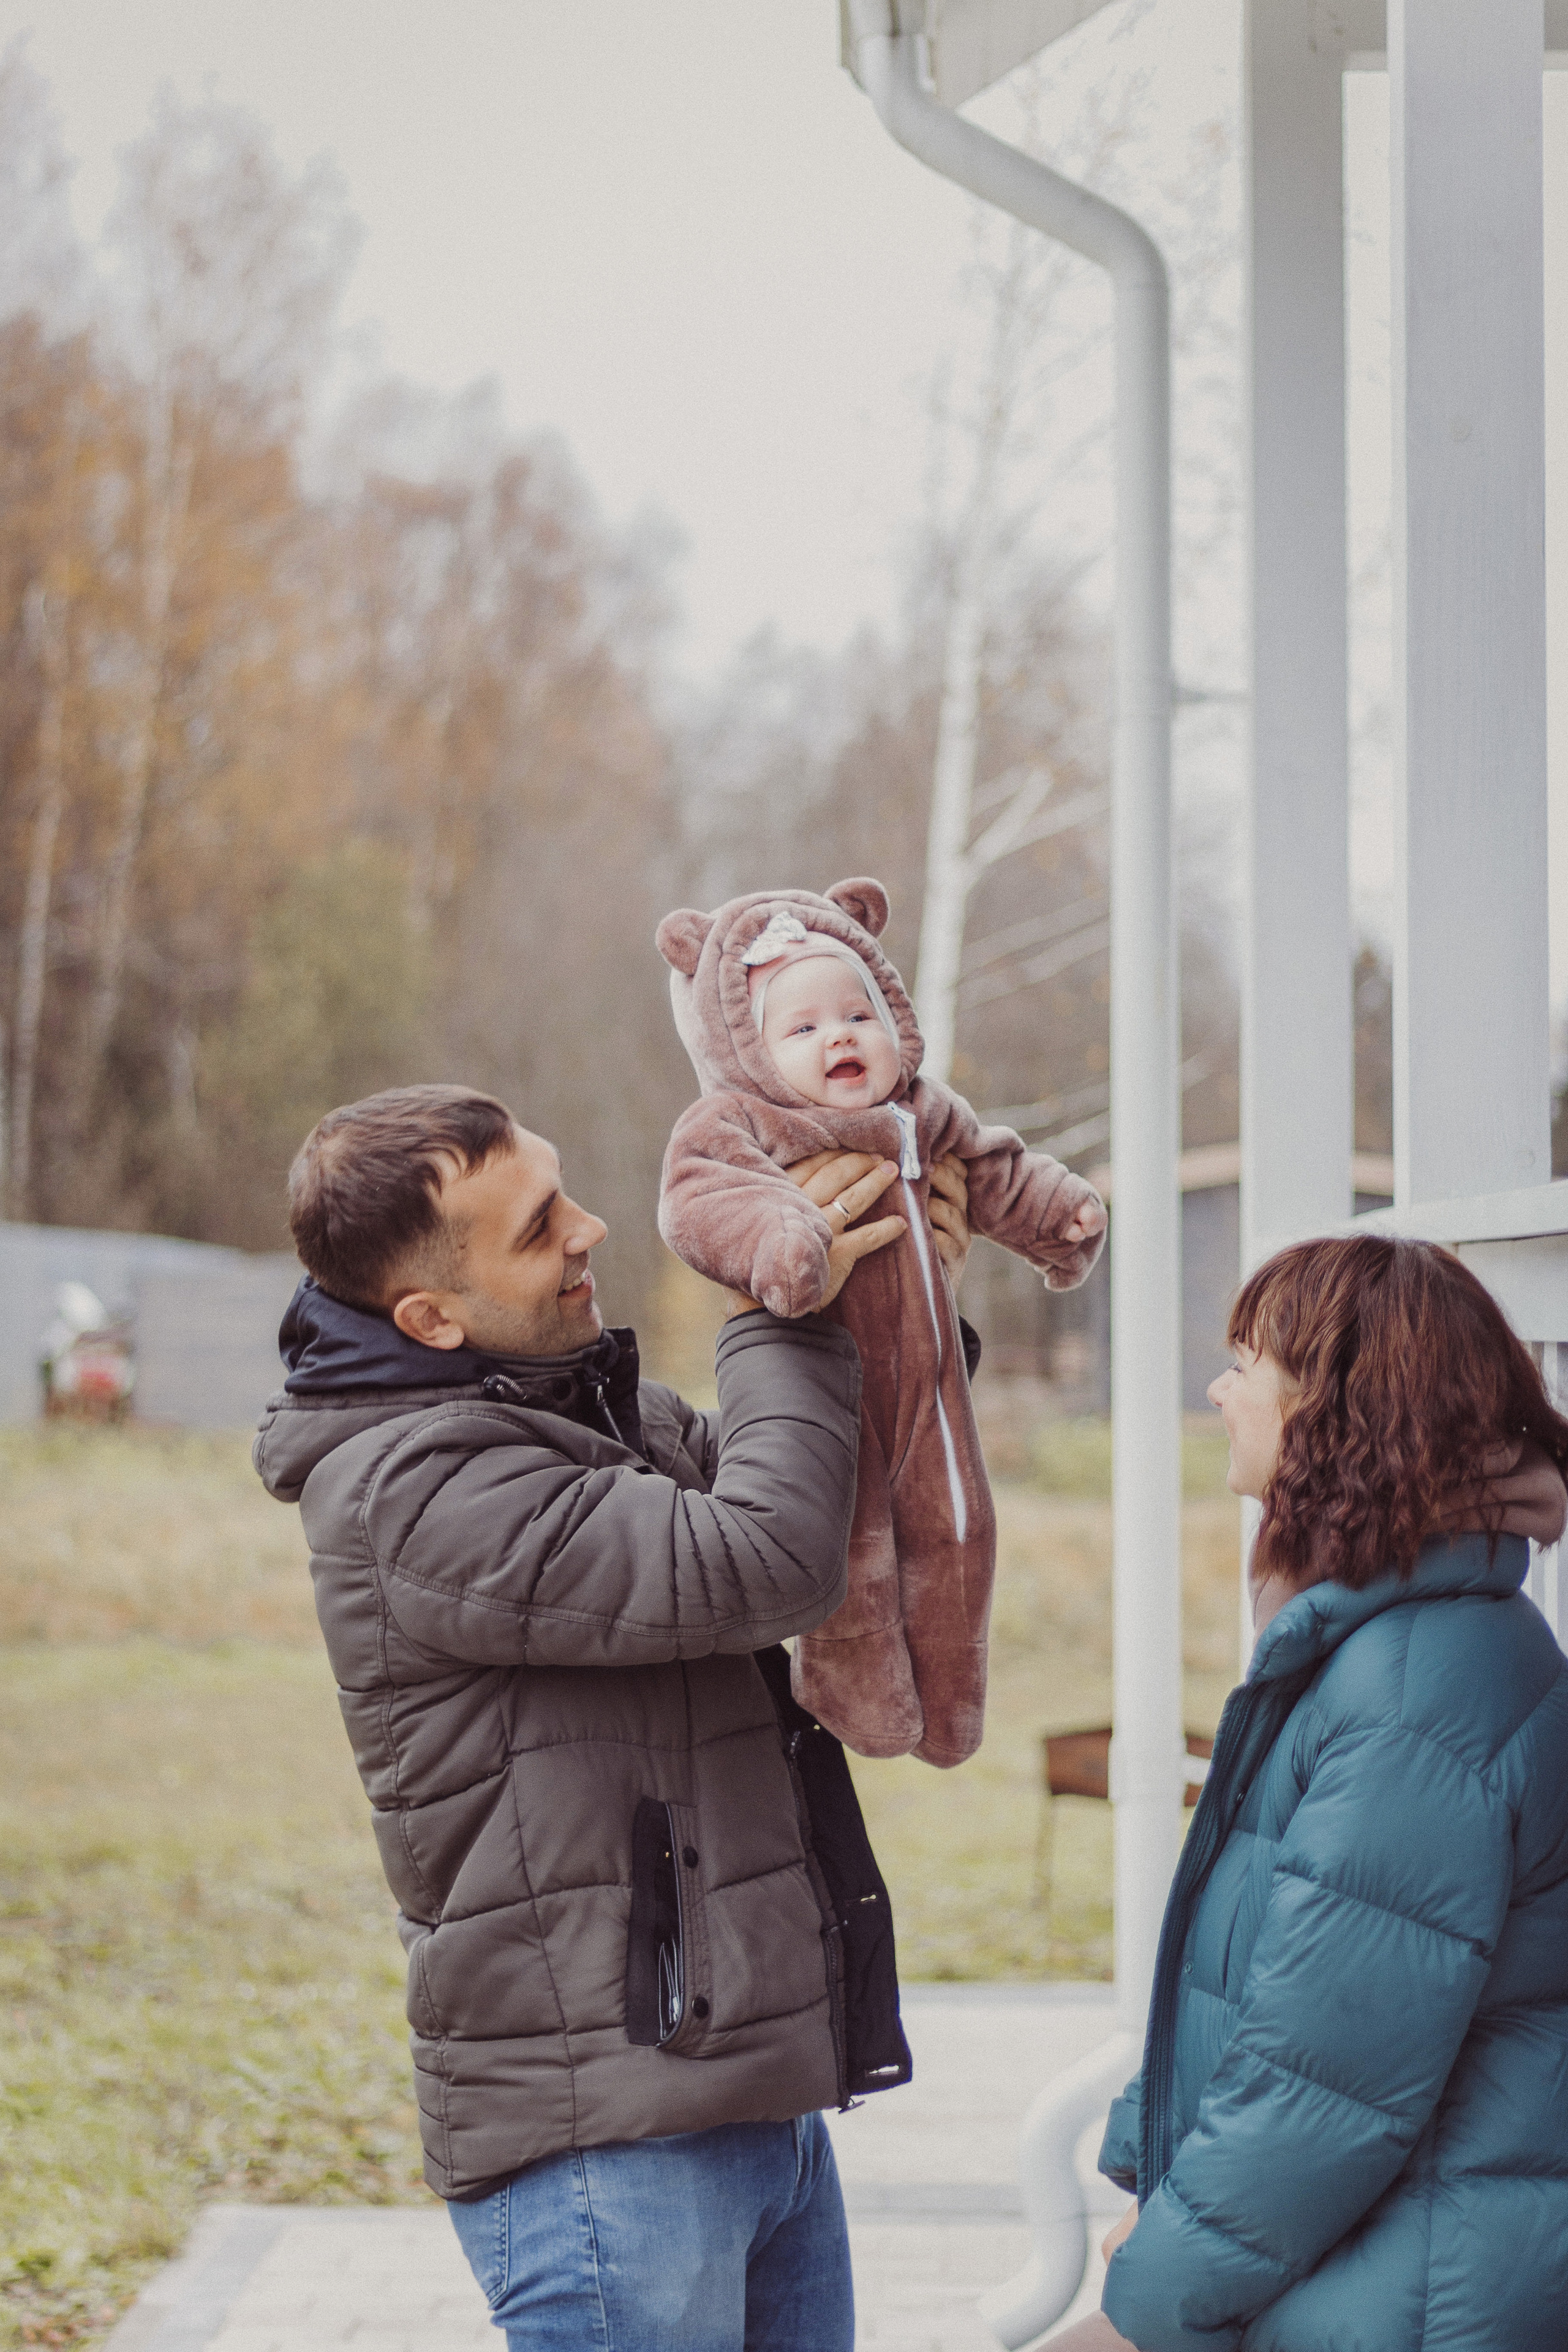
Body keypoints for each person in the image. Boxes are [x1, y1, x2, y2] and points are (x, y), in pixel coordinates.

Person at [252, 1081, 975, 2352]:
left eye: (563, 1186)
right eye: (537, 1226)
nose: (588, 1228)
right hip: (609, 2154)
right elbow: (768, 1559)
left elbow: (825, 1489)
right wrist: (772, 1299)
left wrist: (894, 1292)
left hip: (742, 2099)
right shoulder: (412, 1490)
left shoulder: (578, 1406)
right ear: (427, 1314)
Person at [1071, 1233, 1568, 2352]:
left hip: (1408, 2297)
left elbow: (1327, 2081)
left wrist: (1158, 2290)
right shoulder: (1380, 1640)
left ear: (1335, 1407)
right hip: (1359, 2267)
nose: (1219, 1387)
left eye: (1246, 1359)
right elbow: (1270, 1988)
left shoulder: (1415, 1690)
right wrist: (1160, 2183)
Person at [656, 876, 1106, 1769]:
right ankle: (860, 1704)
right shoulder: (742, 1121)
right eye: (803, 1028)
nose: (839, 1038)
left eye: (857, 1015)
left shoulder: (924, 1114)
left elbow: (996, 1172)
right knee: (858, 1558)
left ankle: (949, 1709)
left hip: (939, 1397)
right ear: (746, 1047)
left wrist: (1059, 1216)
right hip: (835, 1390)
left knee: (959, 1537)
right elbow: (701, 1203)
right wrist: (786, 1239)